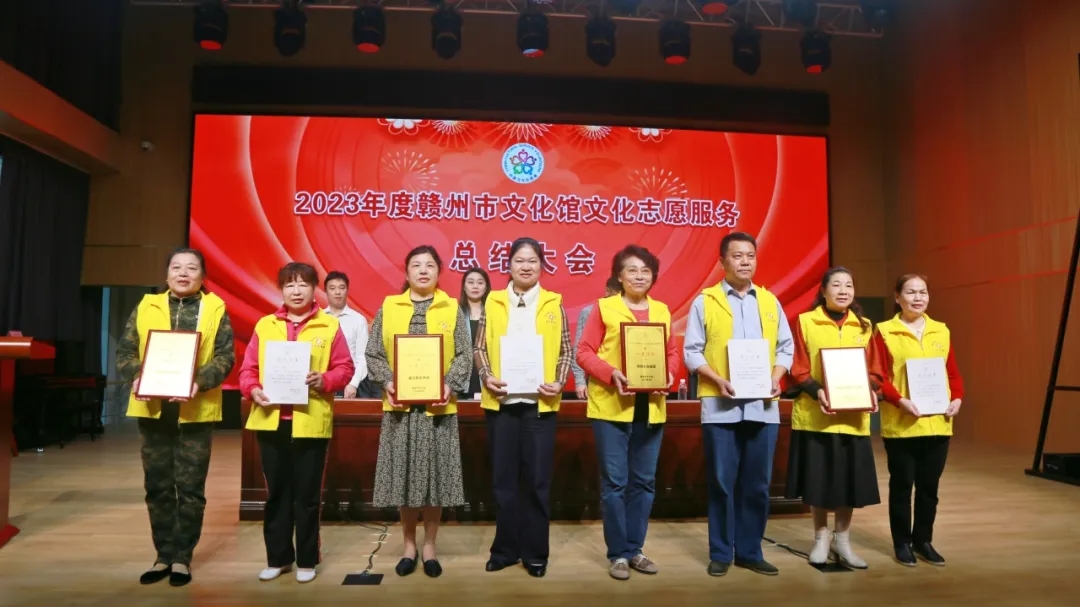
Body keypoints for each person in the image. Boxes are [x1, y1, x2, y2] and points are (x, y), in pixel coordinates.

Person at [116, 247, 236, 587]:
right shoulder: (146, 306)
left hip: (195, 411)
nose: (183, 273)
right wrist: (137, 375)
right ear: (167, 274)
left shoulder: (215, 308)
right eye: (177, 267)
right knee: (157, 486)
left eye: (192, 268)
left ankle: (183, 557)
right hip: (152, 410)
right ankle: (163, 555)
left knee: (191, 487)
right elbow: (125, 352)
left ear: (203, 276)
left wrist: (199, 381)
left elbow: (226, 357)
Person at [683, 231, 794, 577]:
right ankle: (721, 552)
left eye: (750, 255)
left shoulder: (770, 302)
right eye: (737, 256)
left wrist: (775, 377)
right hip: (721, 406)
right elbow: (692, 352)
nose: (745, 262)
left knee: (758, 485)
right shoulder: (705, 301)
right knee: (721, 482)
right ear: (722, 261)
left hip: (763, 406)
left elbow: (785, 348)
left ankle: (750, 551)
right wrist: (716, 379)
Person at [240, 262, 355, 584]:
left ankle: (306, 559)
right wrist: (253, 389)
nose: (296, 290)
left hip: (310, 420)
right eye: (289, 284)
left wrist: (324, 379)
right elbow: (248, 370)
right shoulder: (265, 325)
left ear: (314, 289)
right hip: (271, 420)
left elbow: (345, 368)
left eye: (303, 284)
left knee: (306, 496)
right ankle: (278, 559)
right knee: (276, 493)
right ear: (281, 290)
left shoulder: (328, 327)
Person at [366, 245, 472, 578]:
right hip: (401, 410)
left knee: (435, 481)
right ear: (406, 271)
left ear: (439, 272)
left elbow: (464, 354)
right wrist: (388, 382)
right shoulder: (389, 306)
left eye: (429, 265)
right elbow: (374, 353)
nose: (423, 270)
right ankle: (409, 546)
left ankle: (430, 547)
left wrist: (449, 385)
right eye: (416, 265)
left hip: (438, 410)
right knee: (404, 479)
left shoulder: (452, 308)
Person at [576, 245, 681, 580]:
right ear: (619, 276)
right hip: (612, 407)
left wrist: (670, 374)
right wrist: (611, 374)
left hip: (651, 408)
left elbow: (672, 352)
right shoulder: (604, 308)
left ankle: (636, 549)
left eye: (645, 271)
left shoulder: (662, 310)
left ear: (653, 276)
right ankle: (618, 553)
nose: (639, 276)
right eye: (631, 270)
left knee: (644, 482)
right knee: (615, 483)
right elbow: (584, 351)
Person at [474, 237, 573, 578]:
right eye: (519, 260)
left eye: (532, 260)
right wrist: (486, 376)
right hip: (501, 403)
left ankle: (535, 553)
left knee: (537, 481)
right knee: (503, 482)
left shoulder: (553, 302)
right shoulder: (493, 301)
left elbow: (565, 350)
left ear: (541, 265)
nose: (526, 266)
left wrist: (559, 381)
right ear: (509, 265)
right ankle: (504, 551)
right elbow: (479, 348)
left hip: (539, 405)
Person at [785, 267, 883, 569]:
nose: (843, 290)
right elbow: (798, 367)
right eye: (836, 285)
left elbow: (875, 370)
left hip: (853, 418)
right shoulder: (805, 321)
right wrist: (817, 391)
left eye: (849, 285)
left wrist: (871, 391)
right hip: (816, 416)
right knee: (818, 482)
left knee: (848, 483)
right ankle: (821, 538)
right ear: (823, 291)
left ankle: (843, 540)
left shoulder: (864, 326)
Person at [872, 273, 964, 567]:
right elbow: (879, 377)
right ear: (897, 297)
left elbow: (952, 373)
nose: (918, 297)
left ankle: (923, 540)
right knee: (902, 486)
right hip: (902, 423)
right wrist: (900, 400)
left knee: (929, 488)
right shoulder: (884, 331)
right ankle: (902, 543)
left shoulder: (941, 330)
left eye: (923, 292)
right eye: (911, 292)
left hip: (938, 423)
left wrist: (957, 398)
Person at [323, 270, 372, 398]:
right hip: (323, 380)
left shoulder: (358, 320)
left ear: (347, 290)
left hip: (351, 382)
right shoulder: (318, 319)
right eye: (332, 288)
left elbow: (363, 357)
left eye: (342, 288)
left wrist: (353, 384)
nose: (337, 292)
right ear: (325, 291)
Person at [571, 280, 620, 399]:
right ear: (607, 291)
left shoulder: (634, 312)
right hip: (599, 379)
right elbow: (580, 349)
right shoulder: (590, 312)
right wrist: (580, 381)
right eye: (618, 295)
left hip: (630, 379)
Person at [459, 267, 491, 400]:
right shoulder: (456, 313)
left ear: (486, 287)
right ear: (464, 287)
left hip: (488, 374)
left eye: (480, 282)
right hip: (462, 375)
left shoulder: (494, 313)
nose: (475, 286)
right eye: (471, 282)